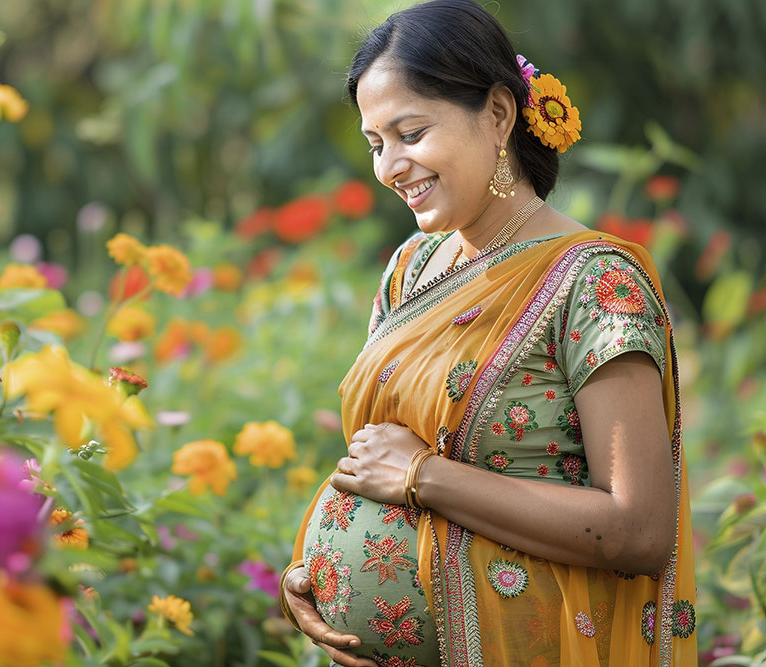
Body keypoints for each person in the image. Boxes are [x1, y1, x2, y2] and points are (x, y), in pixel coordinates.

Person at [277, 1, 697, 665]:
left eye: (410, 133)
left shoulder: (593, 284)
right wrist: (317, 573)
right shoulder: (410, 270)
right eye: (376, 144)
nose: (389, 166)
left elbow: (639, 529)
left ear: (499, 114)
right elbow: (371, 463)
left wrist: (425, 475)